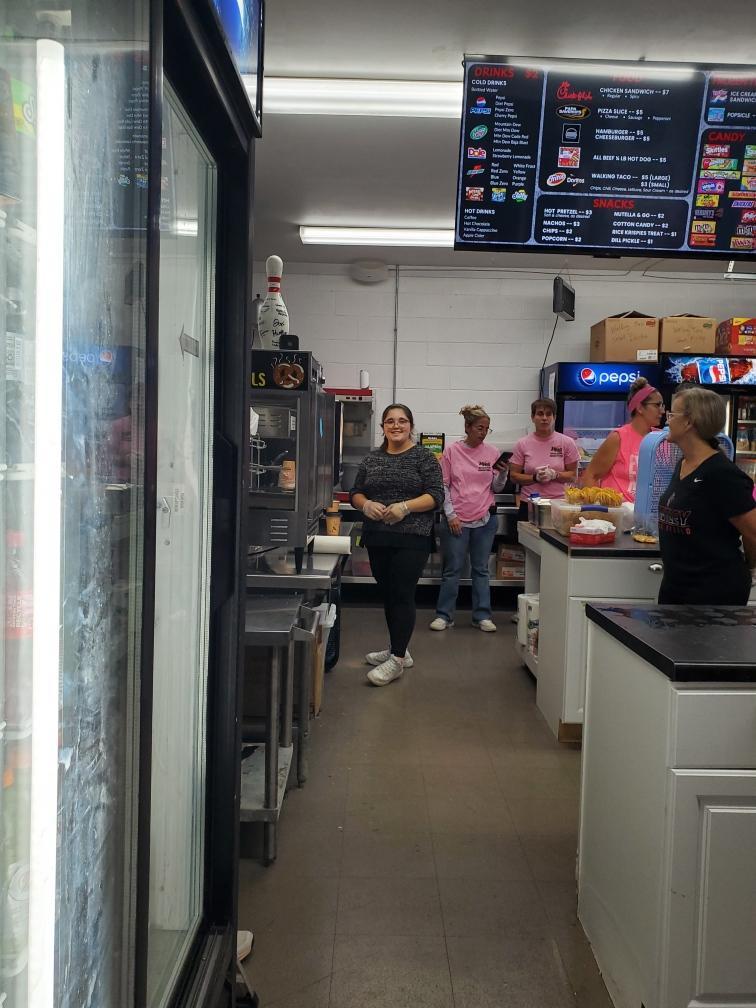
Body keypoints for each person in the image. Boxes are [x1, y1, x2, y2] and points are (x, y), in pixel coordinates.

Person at [350, 403, 444, 686]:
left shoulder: (423, 457)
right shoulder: (372, 459)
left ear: (410, 426)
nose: (396, 425)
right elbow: (356, 492)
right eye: (390, 421)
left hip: (412, 536)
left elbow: (436, 495)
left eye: (402, 421)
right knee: (389, 593)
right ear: (383, 427)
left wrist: (405, 507)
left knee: (402, 593)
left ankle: (397, 660)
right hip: (378, 534)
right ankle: (397, 647)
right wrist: (365, 505)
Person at [658, 386, 756, 605]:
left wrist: (750, 566)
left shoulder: (722, 474)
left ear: (689, 422)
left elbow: (753, 532)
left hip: (712, 595)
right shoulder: (682, 464)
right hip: (676, 588)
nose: (667, 420)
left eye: (672, 414)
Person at [431, 405, 509, 633]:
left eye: (487, 429)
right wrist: (451, 515)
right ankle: (444, 615)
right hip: (456, 520)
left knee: (481, 569)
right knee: (452, 569)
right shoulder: (452, 451)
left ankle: (482, 615)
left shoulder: (492, 453)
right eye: (479, 428)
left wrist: (504, 473)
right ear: (467, 427)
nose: (483, 433)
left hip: (484, 519)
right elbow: (444, 485)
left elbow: (496, 487)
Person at [581, 377, 665, 501]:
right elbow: (590, 475)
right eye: (657, 405)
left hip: (650, 511)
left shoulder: (661, 438)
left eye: (662, 405)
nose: (662, 411)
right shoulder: (618, 438)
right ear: (640, 408)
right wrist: (598, 506)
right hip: (619, 511)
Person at [508, 397, 580, 503]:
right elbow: (514, 476)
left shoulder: (567, 442)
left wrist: (555, 474)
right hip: (530, 502)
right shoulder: (522, 443)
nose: (544, 418)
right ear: (532, 417)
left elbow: (573, 476)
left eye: (549, 414)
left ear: (554, 417)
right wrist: (535, 478)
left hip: (559, 503)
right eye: (540, 414)